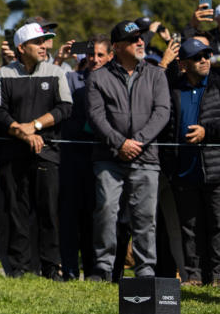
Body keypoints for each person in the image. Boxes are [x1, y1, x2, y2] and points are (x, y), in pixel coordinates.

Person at [86, 20, 170, 281]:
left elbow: (162, 112)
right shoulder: (98, 77)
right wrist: (120, 143)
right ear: (118, 47)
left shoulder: (156, 74)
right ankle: (103, 268)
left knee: (145, 216)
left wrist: (138, 142)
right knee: (107, 210)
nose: (141, 42)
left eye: (141, 38)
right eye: (134, 40)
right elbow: (96, 116)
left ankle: (145, 270)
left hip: (146, 158)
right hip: (109, 158)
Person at [0, 22, 72, 280]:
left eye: (45, 41)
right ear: (21, 48)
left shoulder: (55, 72)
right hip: (12, 155)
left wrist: (33, 126)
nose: (44, 46)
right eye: (38, 42)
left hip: (47, 152)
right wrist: (22, 132)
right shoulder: (4, 74)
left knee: (48, 212)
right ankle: (20, 268)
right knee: (16, 211)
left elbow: (65, 108)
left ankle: (51, 267)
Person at [160, 38, 220, 286]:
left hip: (215, 170)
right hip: (184, 171)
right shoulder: (173, 90)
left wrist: (208, 132)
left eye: (206, 55)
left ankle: (217, 278)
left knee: (217, 225)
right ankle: (193, 276)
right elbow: (166, 128)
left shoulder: (218, 86)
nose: (204, 60)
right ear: (183, 65)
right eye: (197, 57)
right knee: (189, 227)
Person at [59, 35, 113, 280]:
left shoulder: (114, 81)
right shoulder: (71, 78)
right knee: (70, 216)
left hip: (102, 157)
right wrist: (60, 59)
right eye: (91, 55)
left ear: (110, 56)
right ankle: (69, 269)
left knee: (97, 215)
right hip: (73, 157)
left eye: (101, 55)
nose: (95, 59)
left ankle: (94, 270)